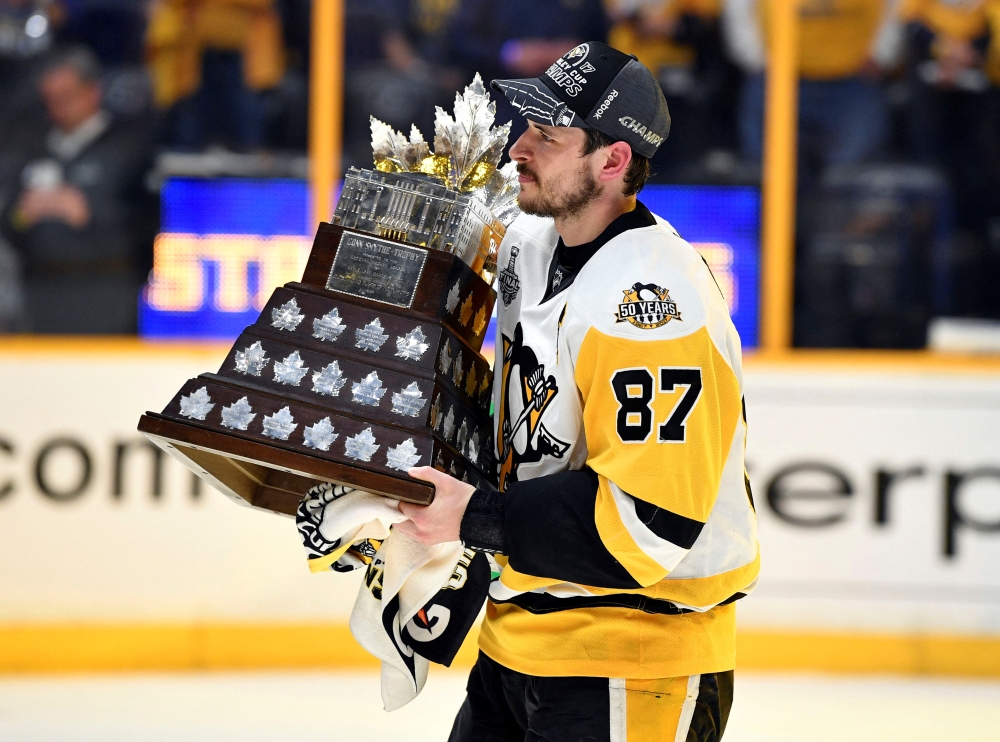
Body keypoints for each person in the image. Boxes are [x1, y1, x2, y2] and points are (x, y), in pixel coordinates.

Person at [397, 41, 759, 741]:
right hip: (516, 642)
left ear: (614, 161)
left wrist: (474, 518)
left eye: (548, 136)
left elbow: (650, 523)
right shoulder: (531, 247)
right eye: (526, 126)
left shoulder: (653, 304)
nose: (518, 150)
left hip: (634, 658)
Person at [0, 47, 154, 333]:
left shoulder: (129, 147)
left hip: (106, 291)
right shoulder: (31, 146)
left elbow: (148, 219)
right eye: (51, 99)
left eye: (67, 96)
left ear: (93, 91)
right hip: (41, 293)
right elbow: (10, 220)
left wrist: (90, 212)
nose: (60, 106)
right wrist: (24, 212)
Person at [724, 0, 901, 171]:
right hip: (778, 80)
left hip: (853, 81)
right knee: (766, 171)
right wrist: (755, 57)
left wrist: (882, 53)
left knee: (851, 176)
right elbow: (738, 7)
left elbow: (898, 8)